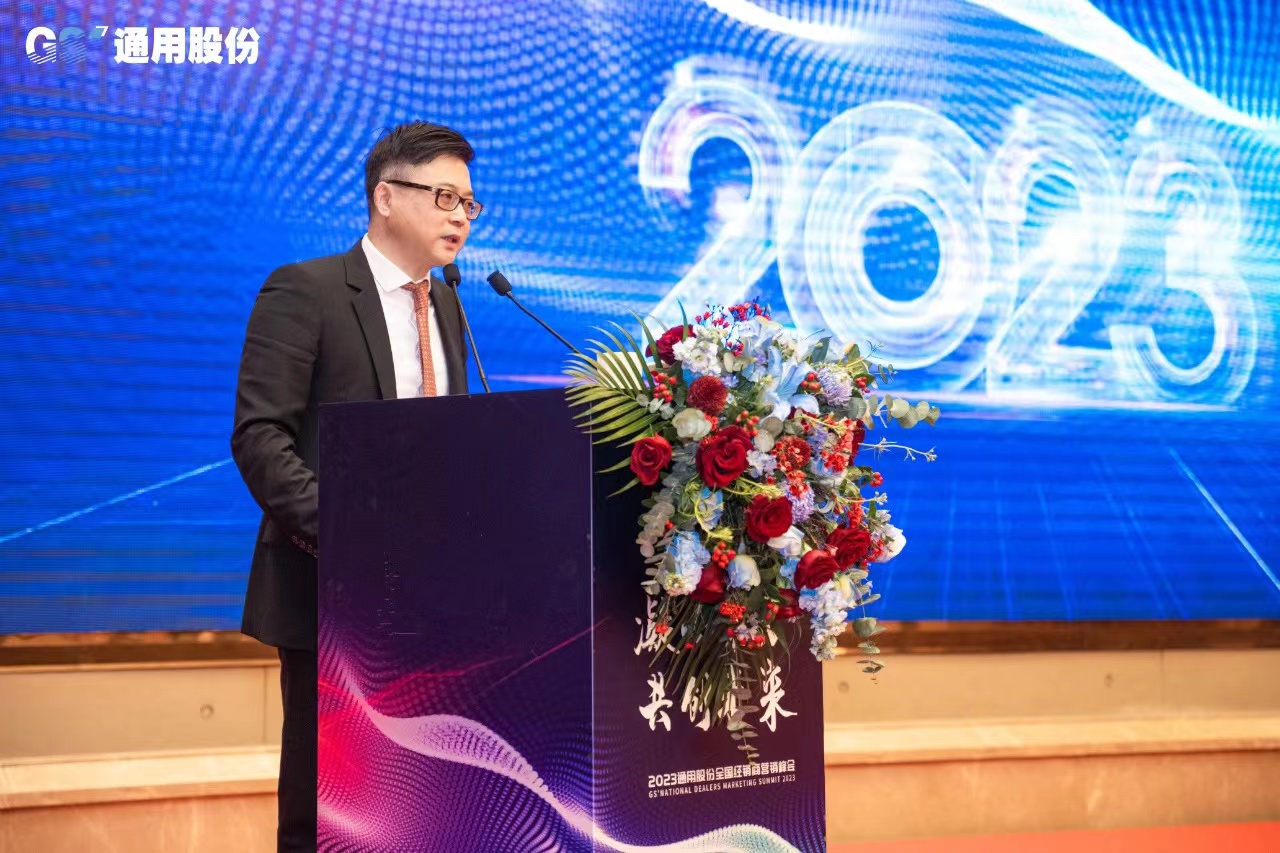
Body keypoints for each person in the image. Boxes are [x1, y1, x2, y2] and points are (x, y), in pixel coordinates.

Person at [230, 121, 479, 852]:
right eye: (445, 197)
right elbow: (260, 438)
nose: (462, 217)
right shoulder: (305, 291)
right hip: (329, 591)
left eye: (469, 203)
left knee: (418, 806)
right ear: (385, 197)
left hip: (431, 602)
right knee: (327, 810)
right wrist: (351, 537)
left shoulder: (448, 304)